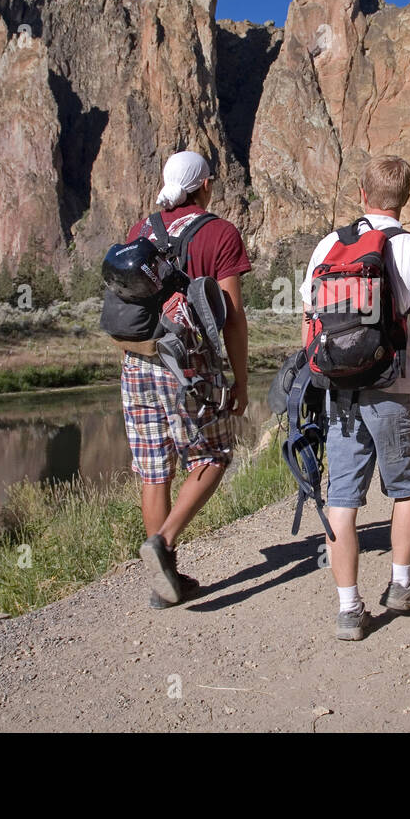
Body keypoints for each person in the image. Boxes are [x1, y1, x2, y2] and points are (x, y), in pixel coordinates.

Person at [299, 155, 410, 640]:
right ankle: (401, 584)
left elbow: (309, 319)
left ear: (363, 195)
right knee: (405, 488)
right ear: (404, 199)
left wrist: (315, 379)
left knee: (342, 499)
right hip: (396, 389)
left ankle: (349, 609)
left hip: (339, 391)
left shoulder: (329, 245)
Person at [127, 150, 250, 608]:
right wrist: (240, 379)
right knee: (213, 454)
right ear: (205, 186)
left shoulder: (143, 229)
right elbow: (233, 318)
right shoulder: (219, 232)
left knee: (154, 469)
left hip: (136, 360)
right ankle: (164, 542)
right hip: (189, 362)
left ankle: (166, 583)